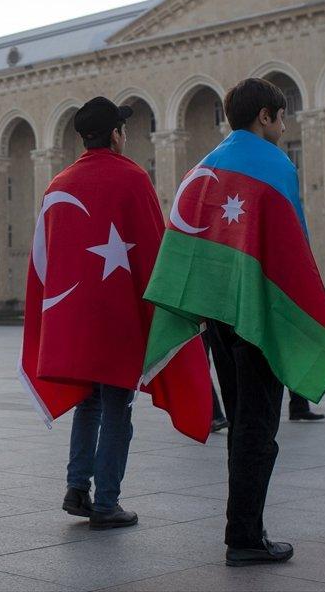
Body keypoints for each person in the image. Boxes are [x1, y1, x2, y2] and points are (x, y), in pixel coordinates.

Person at [142, 78, 325, 567]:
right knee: (258, 425)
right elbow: (290, 245)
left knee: (240, 422)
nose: (284, 124)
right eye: (282, 116)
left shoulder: (204, 167)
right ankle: (245, 538)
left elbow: (188, 245)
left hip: (219, 317)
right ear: (265, 117)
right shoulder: (274, 164)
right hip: (256, 313)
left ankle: (243, 528)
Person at [20, 97, 211, 531]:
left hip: (75, 319)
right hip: (118, 319)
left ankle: (76, 489)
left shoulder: (59, 185)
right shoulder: (132, 178)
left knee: (88, 404)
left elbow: (44, 261)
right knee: (117, 408)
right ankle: (106, 502)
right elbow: (154, 249)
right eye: (123, 129)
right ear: (115, 135)